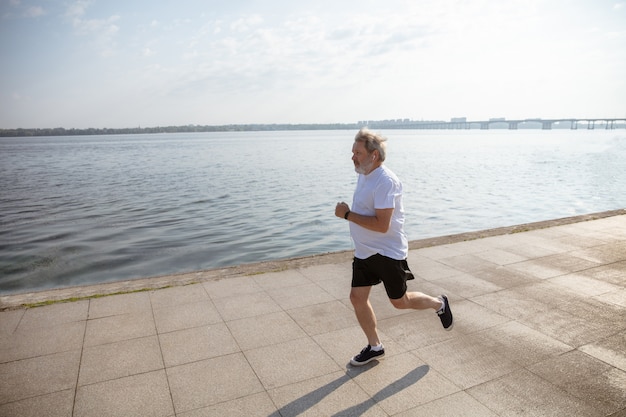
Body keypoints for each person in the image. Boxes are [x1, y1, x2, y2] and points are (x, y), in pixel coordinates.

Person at [335, 127, 453, 367]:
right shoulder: (364, 173)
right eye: (352, 152)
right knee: (357, 298)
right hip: (365, 253)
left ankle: (438, 303)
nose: (352, 157)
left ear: (373, 155)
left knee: (399, 302)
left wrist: (347, 214)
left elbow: (382, 225)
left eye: (357, 152)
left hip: (387, 254)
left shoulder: (386, 181)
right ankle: (375, 346)